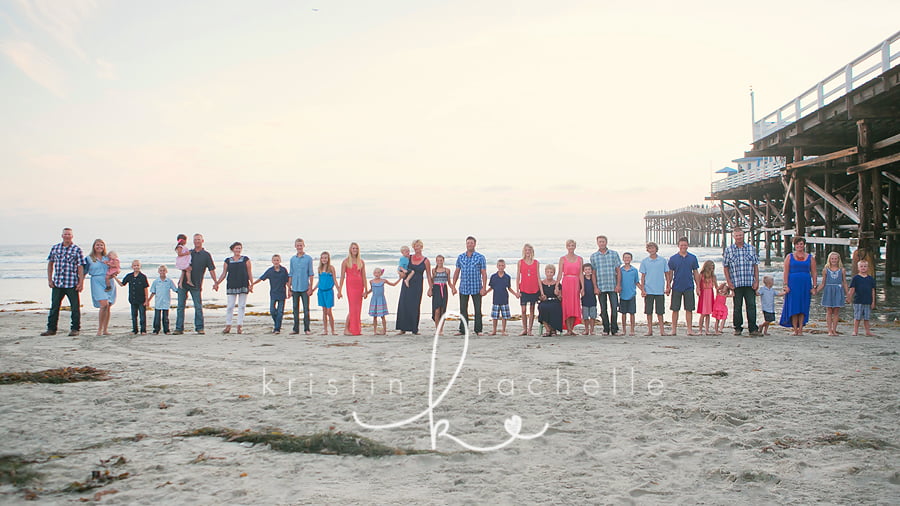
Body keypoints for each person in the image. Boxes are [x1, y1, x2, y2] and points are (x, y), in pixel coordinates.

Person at [42, 227, 85, 337]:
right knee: (54, 307)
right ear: (62, 236)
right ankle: (51, 329)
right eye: (65, 234)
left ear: (72, 236)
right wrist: (49, 279)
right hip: (58, 283)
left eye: (69, 234)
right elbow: (50, 264)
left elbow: (80, 267)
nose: (67, 236)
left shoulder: (77, 250)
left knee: (75, 307)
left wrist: (81, 282)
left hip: (72, 283)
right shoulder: (55, 248)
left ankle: (75, 329)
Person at [174, 233, 217, 335]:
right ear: (193, 241)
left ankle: (199, 328)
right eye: (195, 240)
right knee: (180, 306)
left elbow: (211, 269)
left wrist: (215, 282)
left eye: (198, 239)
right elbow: (182, 266)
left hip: (196, 284)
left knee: (198, 306)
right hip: (183, 284)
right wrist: (180, 281)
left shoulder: (206, 255)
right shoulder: (189, 252)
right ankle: (179, 328)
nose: (197, 241)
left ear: (202, 241)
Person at [722, 227, 760, 336]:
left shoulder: (751, 248)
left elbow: (755, 266)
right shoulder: (729, 250)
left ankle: (753, 329)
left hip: (749, 282)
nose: (739, 237)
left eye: (741, 235)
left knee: (751, 305)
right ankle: (737, 328)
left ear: (744, 236)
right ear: (733, 237)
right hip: (736, 283)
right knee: (737, 306)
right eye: (737, 235)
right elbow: (726, 267)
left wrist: (757, 281)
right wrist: (729, 282)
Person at [779, 236, 817, 336]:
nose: (799, 246)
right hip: (793, 284)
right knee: (794, 307)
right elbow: (786, 272)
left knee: (803, 307)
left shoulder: (810, 257)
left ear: (804, 245)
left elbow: (814, 273)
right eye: (797, 244)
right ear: (794, 245)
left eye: (801, 244)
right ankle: (795, 329)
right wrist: (785, 285)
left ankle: (801, 329)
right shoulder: (789, 256)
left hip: (805, 285)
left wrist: (814, 286)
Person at [214, 241, 253, 335]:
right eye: (236, 248)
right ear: (232, 249)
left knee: (242, 306)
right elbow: (224, 273)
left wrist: (252, 284)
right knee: (230, 306)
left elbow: (249, 272)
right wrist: (217, 283)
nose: (238, 250)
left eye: (239, 248)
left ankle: (239, 326)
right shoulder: (228, 260)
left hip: (243, 283)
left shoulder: (246, 259)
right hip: (231, 284)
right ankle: (228, 325)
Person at [453, 236, 487, 336]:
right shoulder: (461, 257)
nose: (470, 245)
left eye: (471, 243)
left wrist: (484, 287)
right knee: (463, 310)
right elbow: (457, 272)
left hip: (476, 287)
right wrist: (453, 286)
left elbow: (484, 273)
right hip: (464, 287)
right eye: (468, 243)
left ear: (475, 244)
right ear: (466, 244)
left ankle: (478, 330)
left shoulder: (480, 257)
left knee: (477, 310)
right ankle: (462, 330)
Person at [396, 240, 431, 335]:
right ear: (413, 247)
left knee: (415, 306)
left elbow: (428, 275)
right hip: (407, 284)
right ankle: (402, 328)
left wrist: (430, 288)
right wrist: (400, 274)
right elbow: (400, 267)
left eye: (419, 246)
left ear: (422, 247)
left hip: (417, 285)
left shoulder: (426, 260)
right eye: (415, 246)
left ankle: (414, 329)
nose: (417, 248)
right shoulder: (408, 257)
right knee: (404, 304)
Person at [667, 237, 700, 336]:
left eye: (685, 245)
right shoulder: (673, 258)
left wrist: (698, 286)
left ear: (687, 246)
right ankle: (673, 330)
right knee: (675, 309)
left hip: (689, 286)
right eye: (681, 245)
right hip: (676, 286)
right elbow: (670, 273)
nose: (683, 247)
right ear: (678, 246)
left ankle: (689, 330)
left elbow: (695, 272)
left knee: (689, 309)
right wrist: (668, 285)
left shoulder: (692, 258)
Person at [589, 235, 621, 336]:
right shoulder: (594, 256)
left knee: (614, 308)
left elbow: (618, 271)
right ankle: (606, 329)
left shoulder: (614, 254)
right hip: (601, 286)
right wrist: (595, 287)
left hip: (612, 285)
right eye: (600, 242)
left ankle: (614, 329)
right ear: (597, 243)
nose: (601, 243)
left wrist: (618, 285)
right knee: (603, 309)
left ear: (606, 242)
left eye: (603, 241)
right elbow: (593, 273)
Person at [85, 239, 116, 336]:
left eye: (101, 245)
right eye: (97, 245)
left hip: (109, 281)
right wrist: (79, 282)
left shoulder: (107, 257)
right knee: (103, 304)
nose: (99, 247)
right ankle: (99, 329)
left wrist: (115, 272)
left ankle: (105, 329)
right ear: (94, 246)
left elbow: (116, 267)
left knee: (108, 306)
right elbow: (83, 271)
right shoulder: (89, 258)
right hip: (97, 281)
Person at [252, 254, 290, 334]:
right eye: (274, 260)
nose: (276, 262)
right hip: (273, 293)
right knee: (272, 311)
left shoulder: (284, 270)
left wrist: (290, 290)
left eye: (277, 260)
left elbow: (287, 281)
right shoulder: (270, 271)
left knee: (280, 312)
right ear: (272, 261)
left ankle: (277, 329)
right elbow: (261, 278)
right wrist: (252, 284)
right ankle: (277, 324)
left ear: (280, 261)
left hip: (282, 293)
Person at [639, 242, 669, 336]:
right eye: (649, 248)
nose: (651, 250)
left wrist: (668, 285)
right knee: (649, 311)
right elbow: (643, 276)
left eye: (653, 248)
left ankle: (662, 330)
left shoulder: (662, 260)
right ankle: (650, 330)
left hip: (659, 289)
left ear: (656, 249)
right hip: (648, 290)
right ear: (647, 250)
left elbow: (667, 274)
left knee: (660, 312)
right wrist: (642, 289)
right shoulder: (645, 261)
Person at [339, 242, 367, 336]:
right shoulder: (346, 261)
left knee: (358, 308)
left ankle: (356, 330)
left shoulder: (361, 262)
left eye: (356, 248)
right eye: (353, 248)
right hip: (350, 286)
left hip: (360, 286)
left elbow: (364, 276)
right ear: (350, 250)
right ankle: (346, 329)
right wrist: (339, 290)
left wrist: (366, 290)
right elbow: (342, 277)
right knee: (352, 308)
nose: (355, 250)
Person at [556, 239, 583, 336]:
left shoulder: (580, 259)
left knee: (574, 306)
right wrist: (556, 286)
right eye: (569, 245)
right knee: (566, 306)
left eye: (573, 245)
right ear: (566, 247)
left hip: (575, 283)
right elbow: (560, 273)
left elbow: (580, 274)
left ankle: (571, 328)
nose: (571, 247)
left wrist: (582, 287)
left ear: (575, 247)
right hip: (566, 282)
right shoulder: (563, 259)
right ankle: (568, 329)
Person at [288, 238, 315, 335]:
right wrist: (289, 289)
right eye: (297, 245)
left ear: (303, 246)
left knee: (306, 309)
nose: (299, 247)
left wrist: (311, 287)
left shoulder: (308, 258)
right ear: (295, 246)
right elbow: (290, 274)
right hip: (295, 287)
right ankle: (295, 329)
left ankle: (307, 329)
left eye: (301, 245)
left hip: (305, 287)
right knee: (295, 308)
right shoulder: (292, 259)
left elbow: (311, 274)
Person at [818, 252, 848, 336]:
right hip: (828, 290)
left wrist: (848, 294)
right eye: (832, 259)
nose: (834, 260)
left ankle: (834, 330)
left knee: (836, 311)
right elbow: (823, 283)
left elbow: (844, 282)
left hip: (838, 290)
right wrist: (816, 290)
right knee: (829, 311)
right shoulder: (826, 270)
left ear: (838, 259)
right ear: (829, 260)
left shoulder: (842, 270)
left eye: (835, 258)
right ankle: (829, 330)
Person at [486, 259, 518, 336]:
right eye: (499, 265)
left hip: (504, 298)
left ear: (505, 266)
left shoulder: (507, 277)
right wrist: (485, 292)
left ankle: (503, 330)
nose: (501, 267)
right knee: (495, 316)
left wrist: (515, 294)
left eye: (502, 265)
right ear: (497, 266)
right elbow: (491, 287)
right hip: (496, 299)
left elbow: (509, 288)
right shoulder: (493, 276)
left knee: (504, 316)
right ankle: (494, 330)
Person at [366, 268, 401, 335]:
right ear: (373, 274)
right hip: (374, 299)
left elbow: (393, 284)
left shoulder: (383, 281)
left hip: (381, 300)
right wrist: (366, 293)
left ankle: (384, 330)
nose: (377, 274)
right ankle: (375, 331)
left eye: (378, 272)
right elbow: (371, 290)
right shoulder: (371, 281)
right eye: (375, 273)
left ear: (381, 274)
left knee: (382, 316)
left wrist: (399, 279)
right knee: (374, 316)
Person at [118, 259, 149, 335]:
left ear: (140, 266)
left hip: (141, 299)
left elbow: (146, 288)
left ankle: (143, 330)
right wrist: (114, 277)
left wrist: (147, 300)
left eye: (137, 265)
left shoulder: (143, 277)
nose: (136, 267)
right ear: (132, 266)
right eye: (135, 265)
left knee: (142, 316)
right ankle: (135, 330)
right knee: (134, 316)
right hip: (132, 299)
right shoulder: (129, 276)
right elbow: (122, 284)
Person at [312, 251, 340, 335]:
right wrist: (313, 289)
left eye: (325, 258)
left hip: (329, 292)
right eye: (322, 258)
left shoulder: (331, 268)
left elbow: (335, 280)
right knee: (324, 311)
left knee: (329, 312)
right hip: (321, 291)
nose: (324, 259)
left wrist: (339, 291)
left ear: (328, 259)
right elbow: (319, 281)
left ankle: (333, 330)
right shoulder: (319, 269)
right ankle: (325, 330)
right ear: (320, 259)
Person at [428, 254, 456, 334]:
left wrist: (453, 288)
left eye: (441, 260)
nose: (439, 262)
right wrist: (430, 289)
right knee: (436, 310)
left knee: (442, 310)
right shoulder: (433, 270)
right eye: (438, 260)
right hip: (436, 290)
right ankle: (437, 328)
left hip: (444, 289)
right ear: (436, 261)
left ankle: (441, 329)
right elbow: (432, 282)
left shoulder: (447, 270)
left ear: (443, 261)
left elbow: (449, 282)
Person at [847, 260, 876, 336]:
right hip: (858, 300)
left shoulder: (871, 279)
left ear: (868, 268)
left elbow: (873, 291)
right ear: (858, 268)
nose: (863, 268)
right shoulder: (856, 278)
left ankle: (867, 331)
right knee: (857, 317)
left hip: (868, 301)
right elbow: (852, 289)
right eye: (861, 266)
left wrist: (873, 302)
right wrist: (849, 297)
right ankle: (855, 331)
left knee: (867, 318)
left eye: (865, 266)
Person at [516, 244, 540, 336]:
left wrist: (541, 291)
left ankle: (530, 330)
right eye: (526, 250)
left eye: (529, 250)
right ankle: (524, 329)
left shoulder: (536, 262)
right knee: (523, 309)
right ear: (524, 251)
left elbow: (538, 276)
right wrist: (517, 290)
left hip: (534, 288)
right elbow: (518, 276)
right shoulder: (520, 262)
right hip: (524, 288)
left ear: (532, 251)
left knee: (532, 309)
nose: (528, 252)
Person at [148, 265, 178, 334]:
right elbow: (153, 292)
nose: (162, 272)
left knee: (166, 317)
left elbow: (175, 289)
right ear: (158, 272)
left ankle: (166, 330)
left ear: (166, 271)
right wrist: (148, 300)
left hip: (166, 301)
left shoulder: (169, 281)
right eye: (161, 270)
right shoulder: (156, 281)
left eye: (164, 270)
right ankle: (156, 330)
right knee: (157, 317)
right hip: (158, 301)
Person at [618, 252, 640, 336]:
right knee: (623, 313)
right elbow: (618, 281)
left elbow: (637, 282)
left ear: (631, 259)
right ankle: (623, 330)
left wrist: (643, 290)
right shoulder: (620, 270)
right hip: (623, 294)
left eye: (628, 258)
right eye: (625, 258)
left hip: (632, 294)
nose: (627, 259)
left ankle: (632, 330)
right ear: (623, 259)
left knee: (632, 313)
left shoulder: (634, 270)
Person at [538, 264, 563, 337]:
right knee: (542, 307)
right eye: (548, 272)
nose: (549, 274)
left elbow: (560, 297)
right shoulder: (542, 283)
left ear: (554, 273)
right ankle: (547, 329)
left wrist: (558, 294)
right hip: (545, 301)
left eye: (551, 272)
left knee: (555, 308)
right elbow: (538, 296)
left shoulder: (557, 284)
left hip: (554, 301)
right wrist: (542, 297)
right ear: (545, 273)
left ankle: (553, 330)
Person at [696, 260, 717, 336]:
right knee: (703, 313)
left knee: (708, 313)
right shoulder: (701, 275)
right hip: (703, 294)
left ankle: (707, 330)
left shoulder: (713, 276)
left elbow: (716, 286)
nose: (712, 267)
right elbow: (698, 284)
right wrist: (697, 289)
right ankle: (700, 330)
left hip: (710, 293)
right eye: (711, 265)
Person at [581, 264, 598, 335]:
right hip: (584, 299)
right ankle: (586, 329)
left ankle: (592, 329)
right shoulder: (582, 279)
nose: (587, 271)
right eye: (586, 269)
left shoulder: (593, 278)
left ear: (591, 270)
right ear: (583, 271)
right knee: (585, 316)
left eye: (589, 269)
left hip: (592, 299)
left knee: (592, 316)